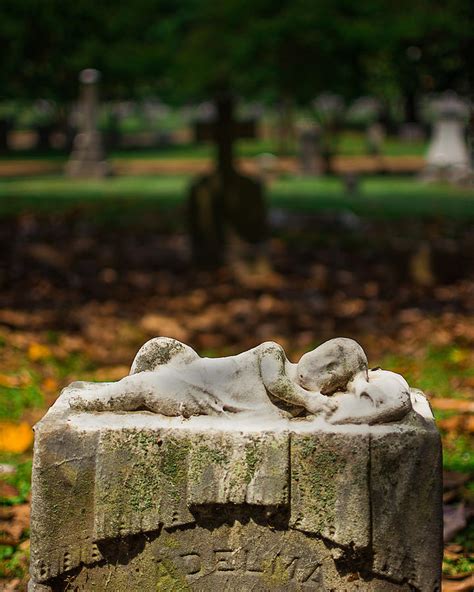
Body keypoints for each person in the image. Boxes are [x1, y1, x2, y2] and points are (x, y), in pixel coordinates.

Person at [69, 337, 413, 424]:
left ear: (334, 384)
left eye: (334, 369)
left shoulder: (294, 410)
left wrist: (361, 386)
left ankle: (91, 399)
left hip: (201, 396)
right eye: (328, 353)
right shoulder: (273, 353)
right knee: (143, 379)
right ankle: (94, 398)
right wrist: (309, 399)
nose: (324, 363)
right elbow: (277, 383)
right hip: (194, 372)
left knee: (145, 386)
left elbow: (388, 396)